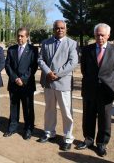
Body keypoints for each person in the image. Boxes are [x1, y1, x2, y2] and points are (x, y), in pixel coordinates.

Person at [76, 23, 114, 157]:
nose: (100, 37)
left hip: (106, 90)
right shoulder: (87, 50)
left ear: (108, 35)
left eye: (102, 35)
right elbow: (84, 70)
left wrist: (106, 82)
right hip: (90, 88)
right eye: (97, 35)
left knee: (105, 118)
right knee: (88, 116)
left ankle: (102, 143)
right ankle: (88, 139)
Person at [37, 20, 78, 151]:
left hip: (63, 81)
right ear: (53, 29)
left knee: (66, 111)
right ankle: (49, 132)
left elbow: (73, 62)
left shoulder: (71, 43)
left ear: (66, 29)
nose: (59, 30)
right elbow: (40, 59)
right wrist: (48, 72)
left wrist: (58, 73)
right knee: (49, 109)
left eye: (62, 28)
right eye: (57, 28)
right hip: (48, 80)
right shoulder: (45, 42)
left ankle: (67, 137)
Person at [4, 27, 38, 140]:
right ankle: (12, 127)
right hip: (14, 84)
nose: (19, 38)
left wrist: (22, 79)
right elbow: (7, 65)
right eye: (18, 36)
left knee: (28, 107)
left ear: (27, 37)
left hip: (27, 84)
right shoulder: (11, 49)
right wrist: (15, 78)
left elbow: (33, 67)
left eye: (22, 36)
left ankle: (29, 128)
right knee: (14, 106)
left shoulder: (33, 50)